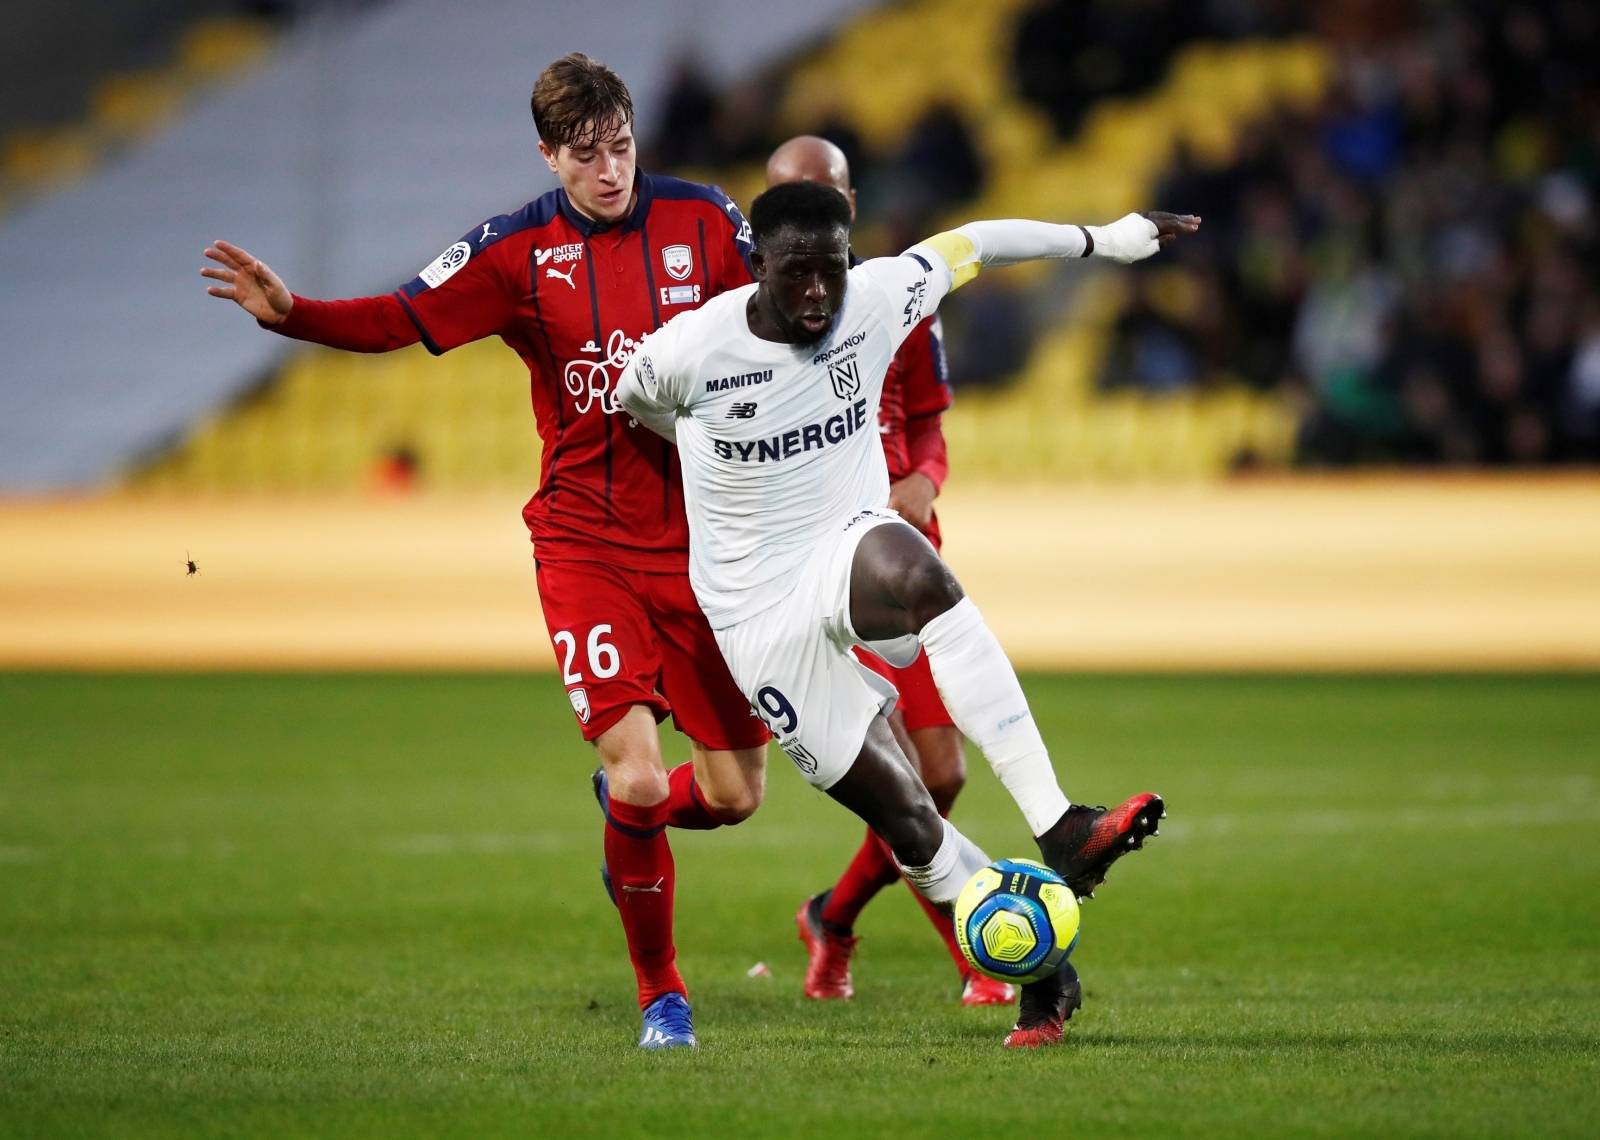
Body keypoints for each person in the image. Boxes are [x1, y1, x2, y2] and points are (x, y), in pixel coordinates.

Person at [200, 52, 772, 1051]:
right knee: (640, 774)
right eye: (586, 156)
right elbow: (398, 318)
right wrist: (294, 317)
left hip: (704, 551)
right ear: (549, 156)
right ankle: (662, 998)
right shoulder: (512, 252)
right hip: (584, 543)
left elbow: (783, 331)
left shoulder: (708, 224)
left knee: (734, 796)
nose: (609, 172)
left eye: (622, 149)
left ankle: (624, 822)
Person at [617, 181, 1197, 1046]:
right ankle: (1044, 975)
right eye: (796, 275)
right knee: (909, 820)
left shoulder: (876, 298)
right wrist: (704, 449)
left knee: (919, 569)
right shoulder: (691, 350)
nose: (818, 293)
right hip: (754, 611)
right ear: (756, 266)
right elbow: (636, 403)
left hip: (844, 542)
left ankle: (1060, 825)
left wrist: (1101, 240)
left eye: (832, 272)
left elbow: (974, 242)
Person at [764, 136, 1011, 1008]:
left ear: (851, 205)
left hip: (909, 552)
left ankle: (831, 917)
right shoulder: (748, 319)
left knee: (941, 774)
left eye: (821, 199)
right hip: (830, 565)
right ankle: (977, 958)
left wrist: (921, 478)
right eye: (788, 202)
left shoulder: (896, 297)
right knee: (909, 774)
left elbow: (932, 424)